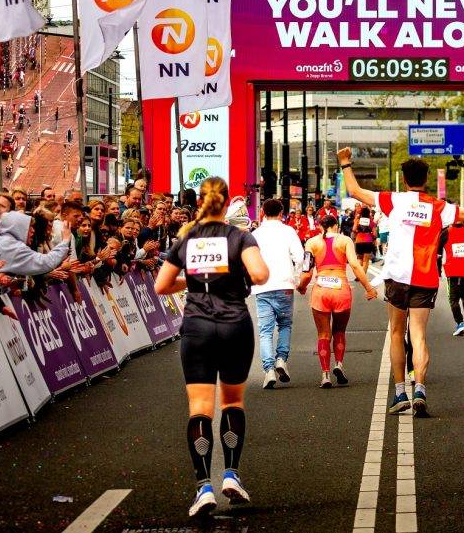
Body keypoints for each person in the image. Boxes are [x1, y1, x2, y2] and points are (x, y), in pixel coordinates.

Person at [338, 147, 464, 416]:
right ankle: (420, 388)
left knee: (397, 333)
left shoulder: (392, 200)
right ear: (426, 178)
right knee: (418, 335)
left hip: (396, 277)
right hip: (425, 277)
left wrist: (346, 163)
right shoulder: (439, 207)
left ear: (405, 179)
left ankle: (399, 394)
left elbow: (355, 191)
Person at [154, 176, 269, 517]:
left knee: (200, 408)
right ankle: (231, 474)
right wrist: (235, 275)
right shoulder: (240, 237)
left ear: (201, 202)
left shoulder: (186, 239)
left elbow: (161, 285)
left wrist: (191, 280)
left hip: (198, 328)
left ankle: (204, 486)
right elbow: (261, 275)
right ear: (228, 203)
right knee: (232, 400)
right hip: (234, 325)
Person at [298, 215, 378, 387]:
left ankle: (325, 375)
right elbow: (356, 266)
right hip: (341, 289)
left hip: (321, 290)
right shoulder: (345, 240)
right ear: (337, 225)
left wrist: (302, 287)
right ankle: (339, 364)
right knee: (339, 332)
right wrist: (369, 288)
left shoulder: (311, 243)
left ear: (320, 226)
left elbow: (306, 271)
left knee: (323, 335)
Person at [251, 198, 304, 389]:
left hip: (262, 286)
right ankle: (281, 359)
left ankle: (268, 370)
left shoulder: (255, 234)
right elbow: (299, 257)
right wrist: (296, 279)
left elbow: (248, 260)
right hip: (284, 285)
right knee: (284, 325)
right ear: (282, 213)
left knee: (265, 331)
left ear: (263, 212)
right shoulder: (289, 231)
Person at [438, 219, 464, 336]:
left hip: (452, 270)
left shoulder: (445, 232)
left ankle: (460, 324)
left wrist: (437, 270)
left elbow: (437, 252)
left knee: (453, 298)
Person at [351, 204, 376, 271]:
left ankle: (358, 275)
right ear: (368, 213)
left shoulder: (358, 220)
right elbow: (375, 234)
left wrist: (358, 231)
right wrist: (373, 238)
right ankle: (363, 276)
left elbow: (353, 229)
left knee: (359, 258)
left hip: (359, 240)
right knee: (366, 260)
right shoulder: (371, 222)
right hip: (368, 241)